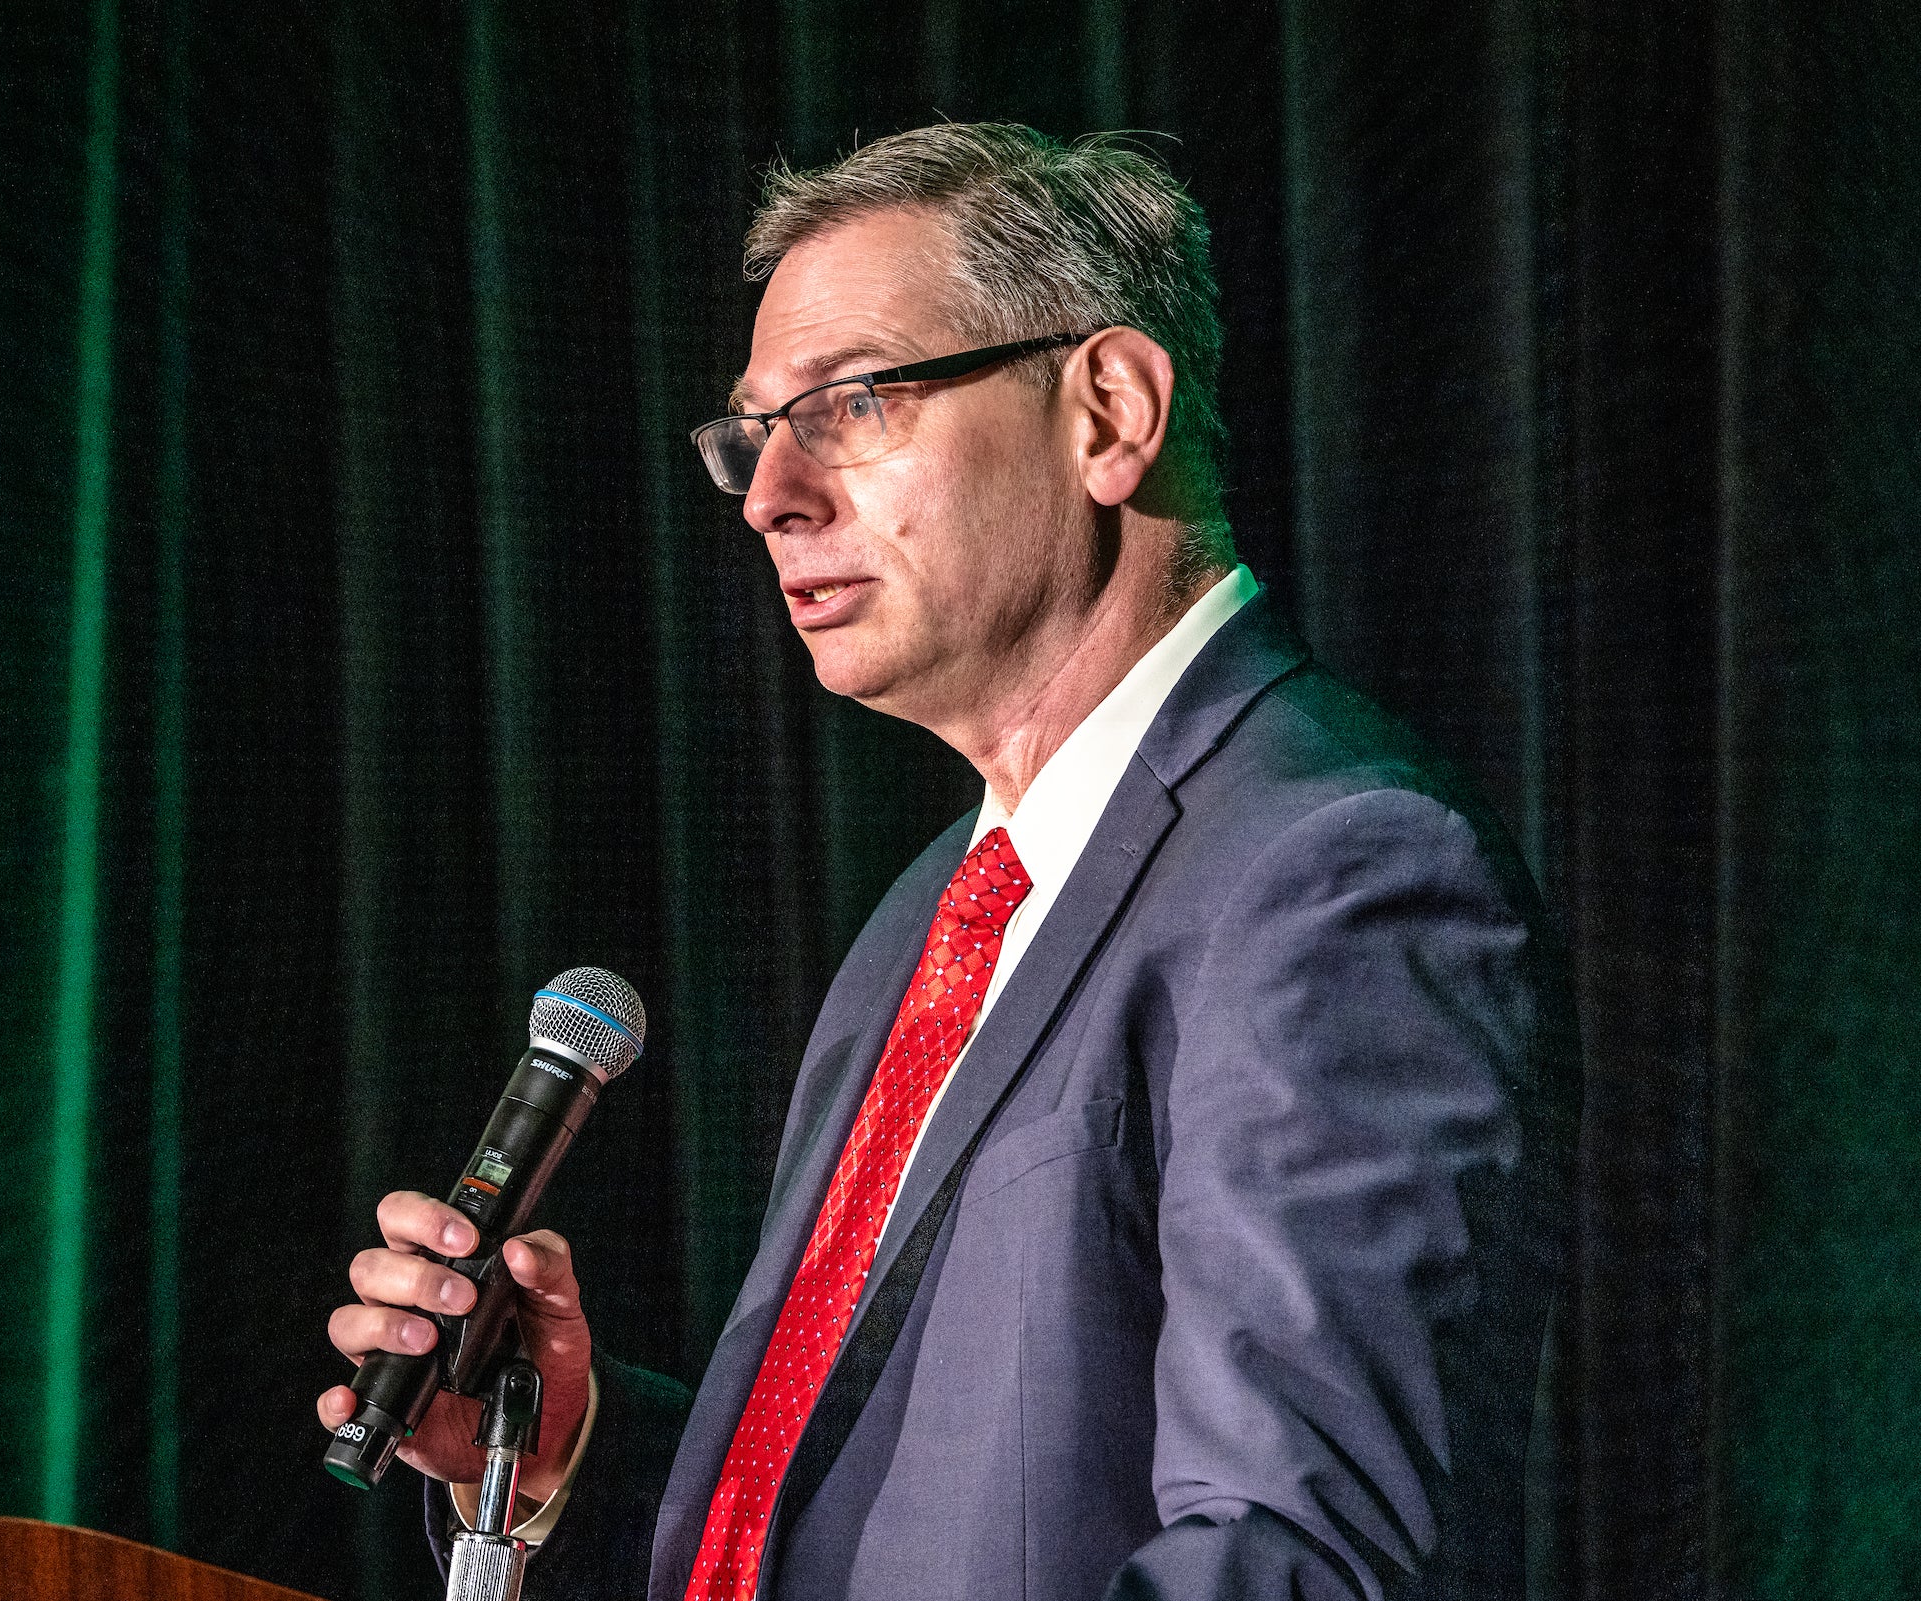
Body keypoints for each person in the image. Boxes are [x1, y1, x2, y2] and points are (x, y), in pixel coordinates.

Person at [319, 122, 1573, 1601]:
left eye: (849, 404)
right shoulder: (932, 912)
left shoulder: (1335, 874)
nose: (768, 493)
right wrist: (568, 1452)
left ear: (1109, 410)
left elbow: (1306, 1562)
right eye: (752, 433)